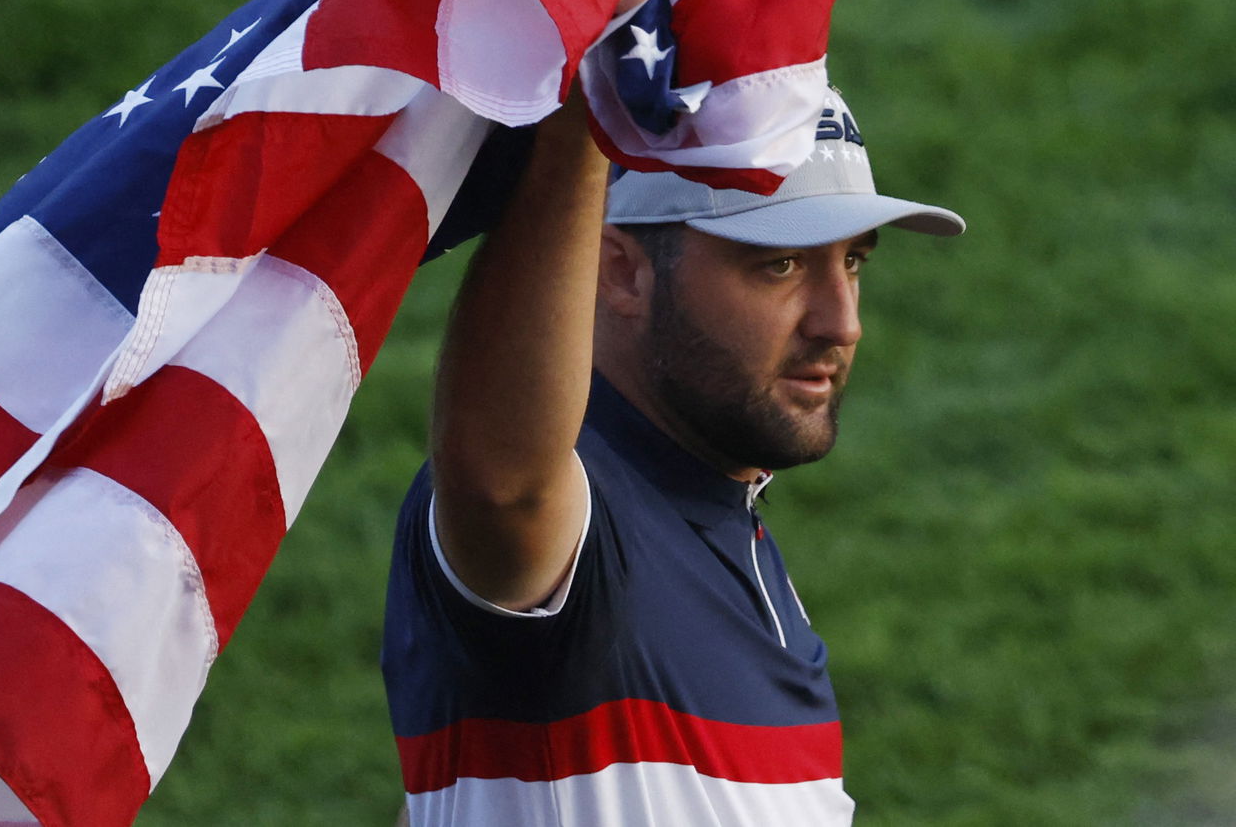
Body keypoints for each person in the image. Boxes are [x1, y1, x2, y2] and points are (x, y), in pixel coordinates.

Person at [381, 76, 964, 824]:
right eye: (779, 263)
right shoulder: (583, 530)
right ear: (620, 269)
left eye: (852, 260)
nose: (841, 321)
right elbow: (503, 487)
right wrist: (576, 131)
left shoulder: (730, 534)